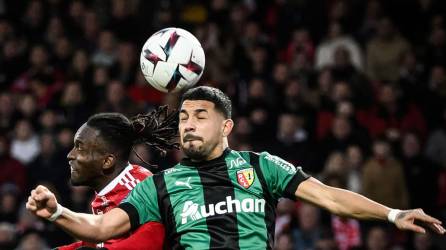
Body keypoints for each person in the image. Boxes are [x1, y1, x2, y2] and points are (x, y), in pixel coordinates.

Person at [27, 86, 445, 249]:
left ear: (226, 125)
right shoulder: (162, 185)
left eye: (200, 116)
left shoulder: (260, 167)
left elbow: (330, 197)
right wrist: (58, 212)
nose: (188, 124)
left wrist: (393, 213)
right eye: (184, 117)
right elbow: (101, 229)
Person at [56, 105, 179, 249]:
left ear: (107, 162)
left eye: (80, 147)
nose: (70, 155)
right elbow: (103, 243)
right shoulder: (113, 188)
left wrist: (55, 213)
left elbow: (152, 238)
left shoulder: (136, 189)